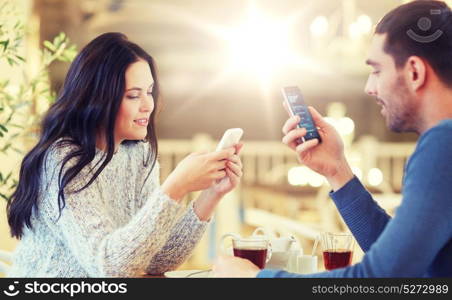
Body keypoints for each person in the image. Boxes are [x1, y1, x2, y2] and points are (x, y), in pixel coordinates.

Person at [212, 0, 452, 277]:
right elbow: (401, 262)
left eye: (376, 71)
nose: (369, 87)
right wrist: (337, 170)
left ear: (414, 72)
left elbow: (379, 278)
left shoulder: (442, 145)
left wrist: (253, 279)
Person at [6, 32, 243, 277]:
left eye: (149, 91)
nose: (148, 105)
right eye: (133, 95)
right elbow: (110, 268)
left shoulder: (138, 156)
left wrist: (211, 195)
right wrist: (176, 186)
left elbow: (158, 259)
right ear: (97, 98)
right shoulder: (63, 161)